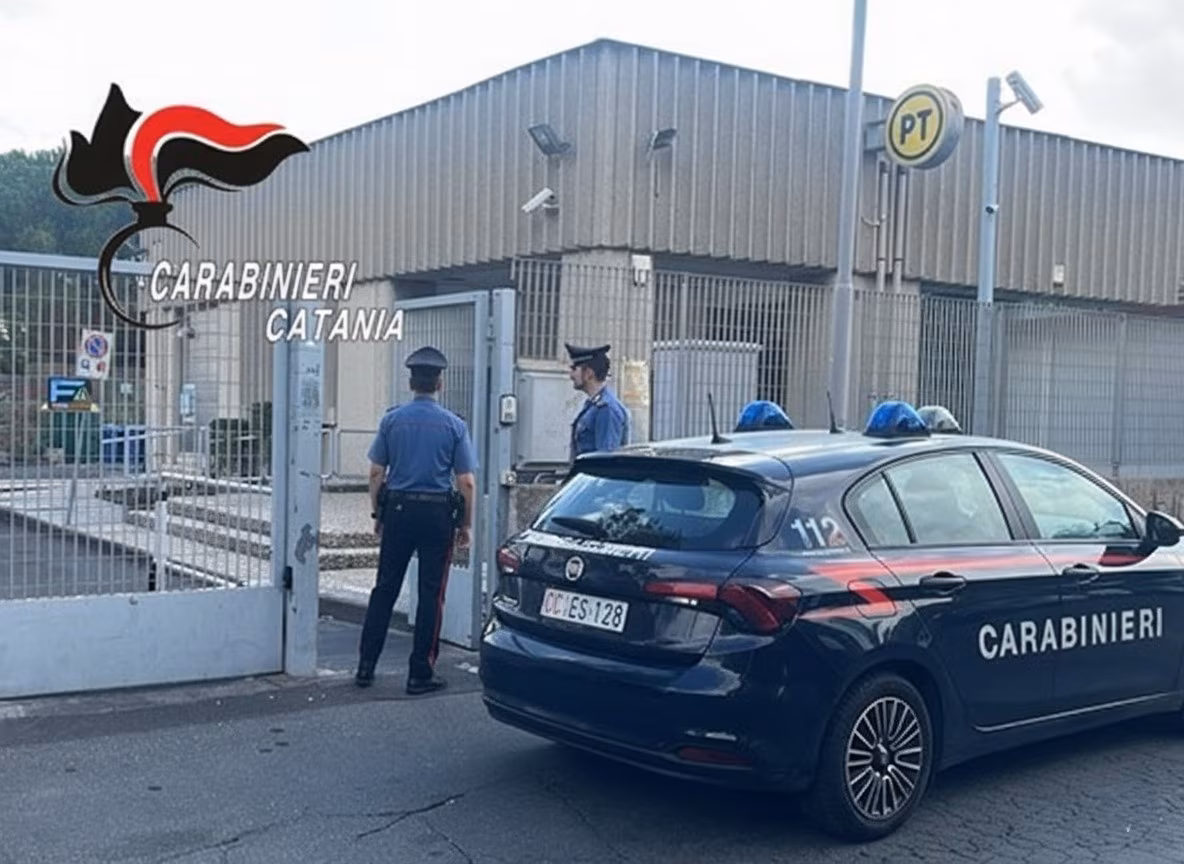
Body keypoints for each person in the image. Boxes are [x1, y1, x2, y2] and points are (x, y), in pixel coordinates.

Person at [355, 345, 477, 695]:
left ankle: (366, 666)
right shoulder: (455, 425)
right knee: (430, 594)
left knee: (385, 588)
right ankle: (420, 673)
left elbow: (376, 472)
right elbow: (466, 482)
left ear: (411, 383)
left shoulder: (392, 420)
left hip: (399, 512)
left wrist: (378, 514)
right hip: (437, 515)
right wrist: (465, 525)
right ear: (440, 383)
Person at [566, 342, 629, 460]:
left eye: (574, 369)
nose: (571, 375)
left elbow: (605, 459)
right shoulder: (593, 405)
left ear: (589, 373)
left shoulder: (606, 409)